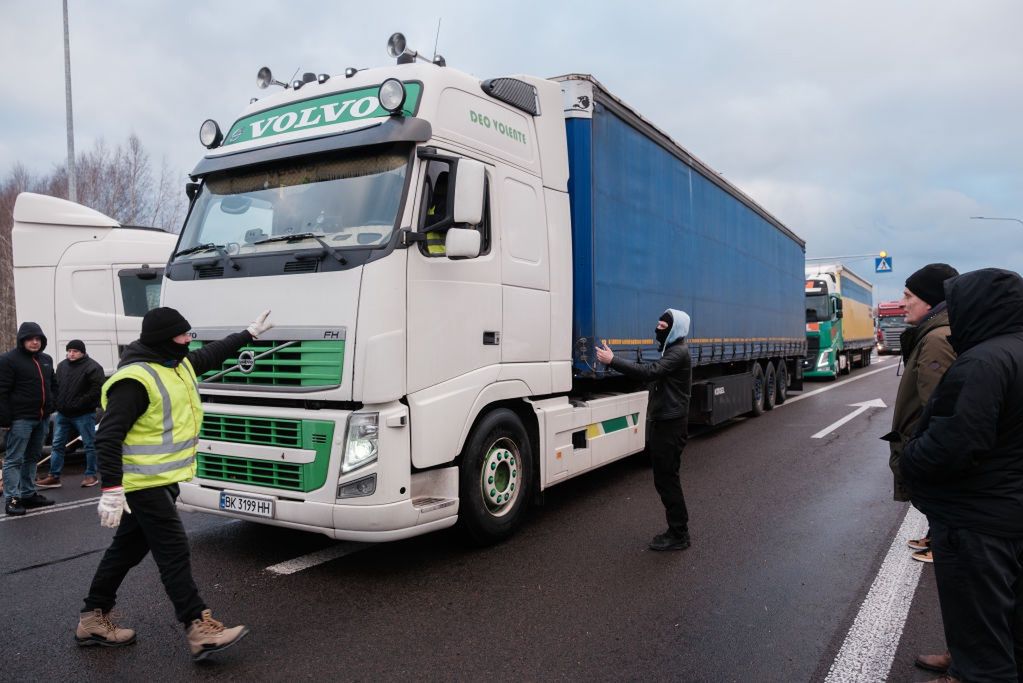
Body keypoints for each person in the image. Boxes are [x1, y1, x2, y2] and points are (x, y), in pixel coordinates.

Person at [76, 306, 273, 661]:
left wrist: (248, 335)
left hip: (162, 481)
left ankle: (92, 618)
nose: (188, 340)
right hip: (141, 485)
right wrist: (111, 490)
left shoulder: (174, 364)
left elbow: (211, 355)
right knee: (174, 550)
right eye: (182, 336)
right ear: (164, 340)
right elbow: (107, 436)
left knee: (127, 551)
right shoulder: (134, 381)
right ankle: (199, 628)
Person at [901, 268, 1023, 683]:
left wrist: (911, 457)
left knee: (978, 620)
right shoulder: (1013, 350)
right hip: (1007, 510)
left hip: (977, 518)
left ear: (980, 308)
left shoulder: (984, 361)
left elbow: (954, 443)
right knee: (1006, 618)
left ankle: (976, 673)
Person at [595, 309, 693, 551]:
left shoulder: (678, 353)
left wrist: (613, 361)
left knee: (668, 480)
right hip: (666, 422)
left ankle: (679, 534)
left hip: (671, 426)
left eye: (662, 326)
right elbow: (651, 374)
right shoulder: (672, 351)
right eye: (658, 324)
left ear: (674, 330)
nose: (657, 329)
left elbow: (651, 372)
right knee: (665, 479)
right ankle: (678, 530)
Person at [882, 264, 959, 565]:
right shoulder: (934, 333)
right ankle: (936, 535)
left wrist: (919, 448)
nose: (903, 302)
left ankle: (944, 541)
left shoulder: (937, 340)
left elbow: (938, 408)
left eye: (908, 295)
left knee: (940, 490)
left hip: (924, 442)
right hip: (918, 439)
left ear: (929, 300)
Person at [0, 322, 58, 516]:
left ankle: (28, 494)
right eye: (30, 339)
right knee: (14, 460)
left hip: (42, 418)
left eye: (38, 339)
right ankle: (12, 499)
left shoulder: (46, 359)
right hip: (20, 420)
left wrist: (52, 405)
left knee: (32, 457)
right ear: (22, 340)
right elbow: (2, 391)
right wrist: (5, 420)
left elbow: (53, 385)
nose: (35, 342)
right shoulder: (8, 360)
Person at [37, 340, 105, 489]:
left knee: (89, 445)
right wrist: (56, 403)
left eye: (75, 351)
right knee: (57, 445)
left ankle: (91, 475)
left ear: (83, 352)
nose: (71, 354)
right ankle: (54, 476)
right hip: (63, 414)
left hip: (84, 414)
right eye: (69, 351)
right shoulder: (62, 366)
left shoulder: (93, 367)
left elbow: (96, 390)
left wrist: (79, 403)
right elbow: (55, 386)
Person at [424, 171, 449, 256]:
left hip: (440, 257)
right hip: (425, 254)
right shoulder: (426, 202)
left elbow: (446, 222)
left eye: (439, 184)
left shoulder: (447, 204)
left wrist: (423, 219)